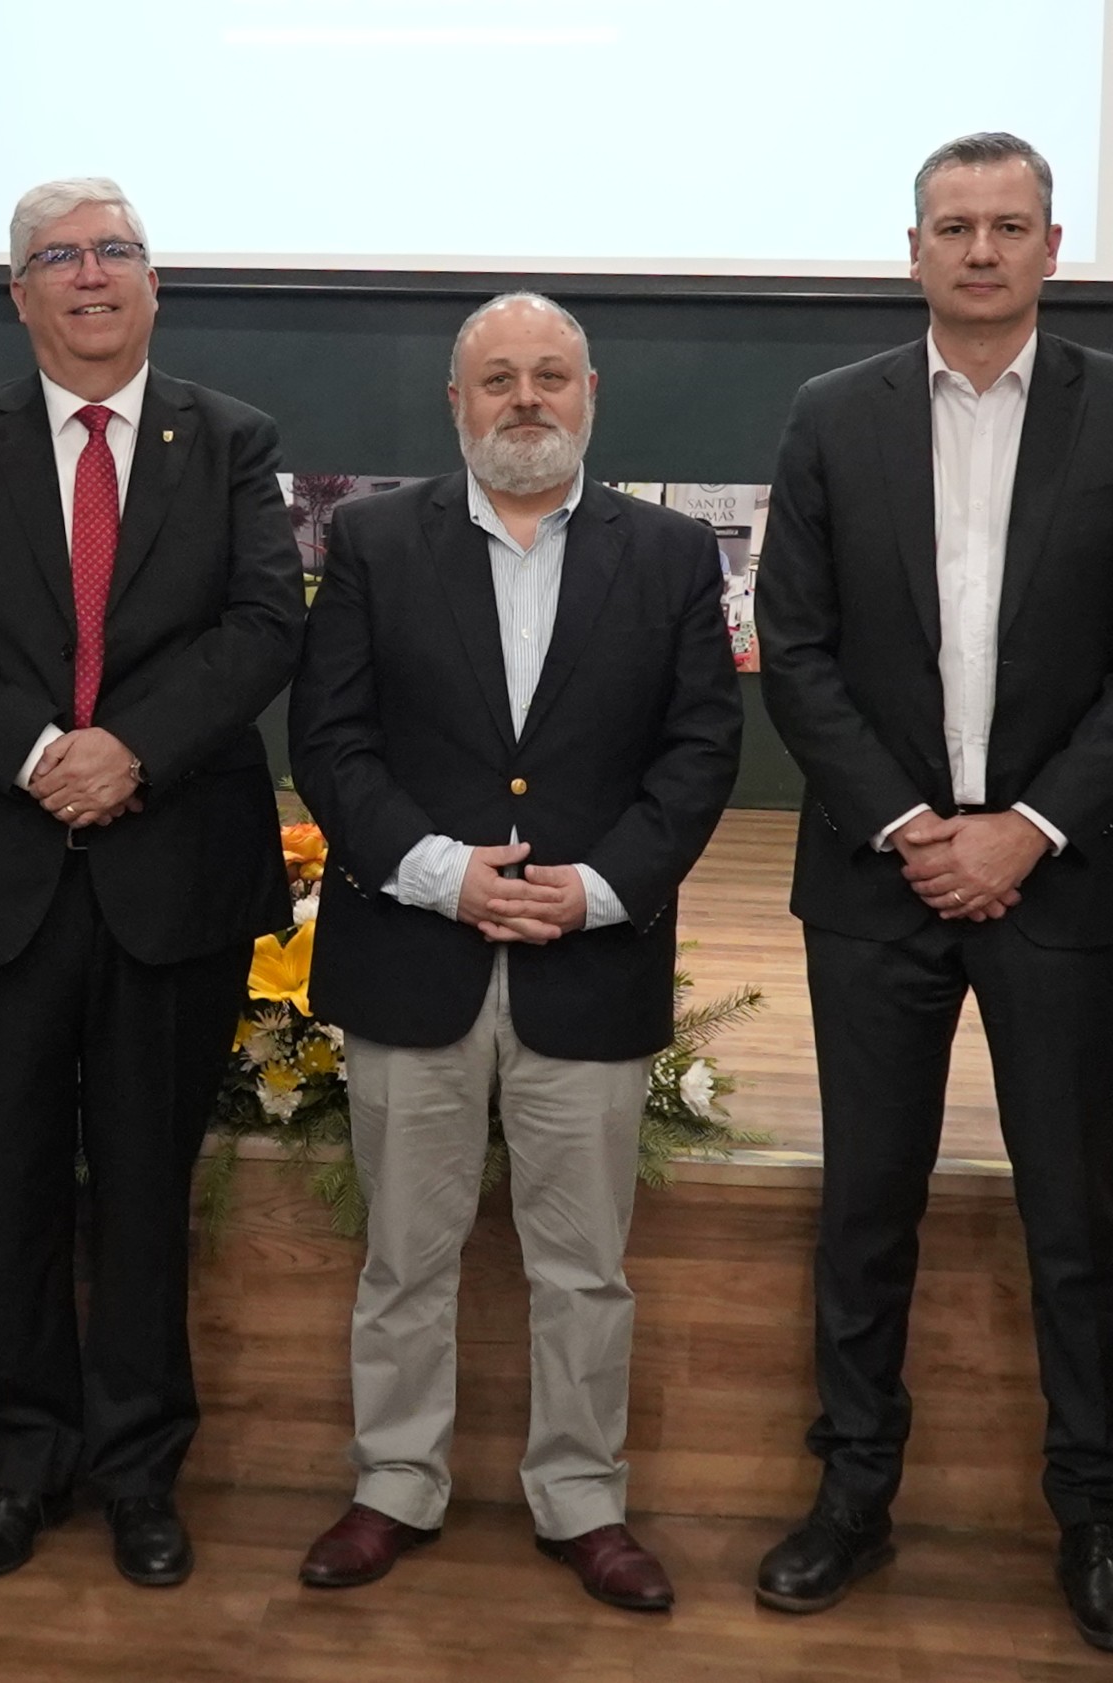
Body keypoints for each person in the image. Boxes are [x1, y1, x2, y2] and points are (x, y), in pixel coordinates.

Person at [753, 132, 1113, 1650]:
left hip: (1057, 883)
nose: (981, 250)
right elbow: (793, 648)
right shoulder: (831, 417)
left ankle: (1094, 1513)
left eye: (1009, 225)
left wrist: (1024, 827)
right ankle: (850, 1494)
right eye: (954, 226)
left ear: (1052, 245)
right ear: (913, 249)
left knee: (1072, 1209)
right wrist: (906, 822)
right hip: (876, 879)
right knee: (863, 1202)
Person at [0, 177, 303, 1588]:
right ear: (18, 293)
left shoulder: (230, 440)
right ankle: (22, 1463)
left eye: (115, 250)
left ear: (153, 283)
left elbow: (259, 625)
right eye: (59, 256)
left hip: (169, 867)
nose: (91, 274)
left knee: (144, 1189)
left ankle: (136, 1472)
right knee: (13, 1189)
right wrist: (42, 750)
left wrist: (133, 752)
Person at [286, 294, 740, 1611]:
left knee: (583, 1263)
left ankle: (582, 1497)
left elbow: (700, 746)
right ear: (454, 402)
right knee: (403, 1255)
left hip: (585, 958)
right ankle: (392, 1483)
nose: (524, 399)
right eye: (496, 379)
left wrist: (596, 889)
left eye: (548, 375)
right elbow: (331, 737)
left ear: (590, 391)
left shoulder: (664, 553)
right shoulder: (372, 539)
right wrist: (439, 872)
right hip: (412, 952)